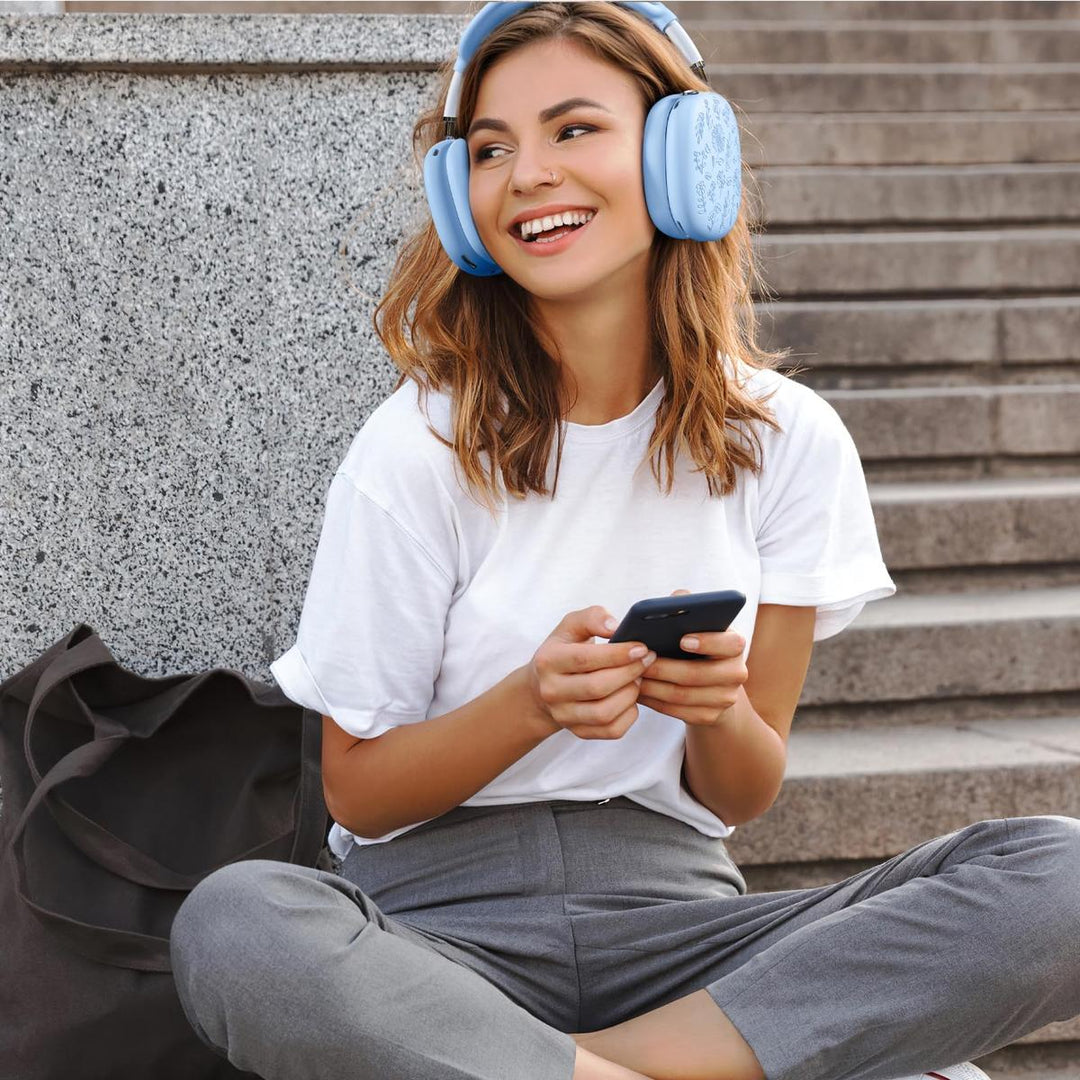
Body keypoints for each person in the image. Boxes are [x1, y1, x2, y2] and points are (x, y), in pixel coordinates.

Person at [169, 5, 1080, 1080]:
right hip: (438, 941)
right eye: (493, 148)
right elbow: (359, 792)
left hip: (684, 933)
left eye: (573, 130)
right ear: (460, 201)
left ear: (680, 154)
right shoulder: (417, 445)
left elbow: (741, 794)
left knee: (1060, 873)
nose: (528, 174)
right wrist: (531, 705)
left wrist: (718, 711)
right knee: (239, 924)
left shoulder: (787, 441)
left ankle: (585, 1069)